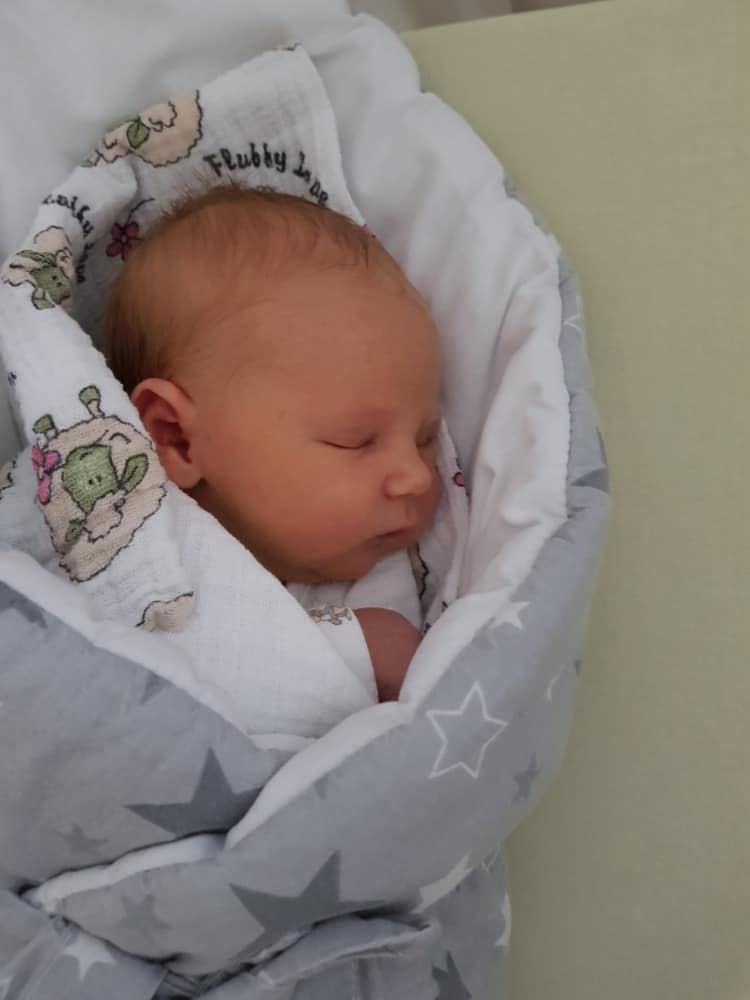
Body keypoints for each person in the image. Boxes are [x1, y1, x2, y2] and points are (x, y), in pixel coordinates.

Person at [104, 185, 442, 702]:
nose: (416, 475)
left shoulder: (385, 577)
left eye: (425, 439)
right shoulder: (112, 549)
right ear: (177, 438)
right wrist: (368, 649)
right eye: (354, 440)